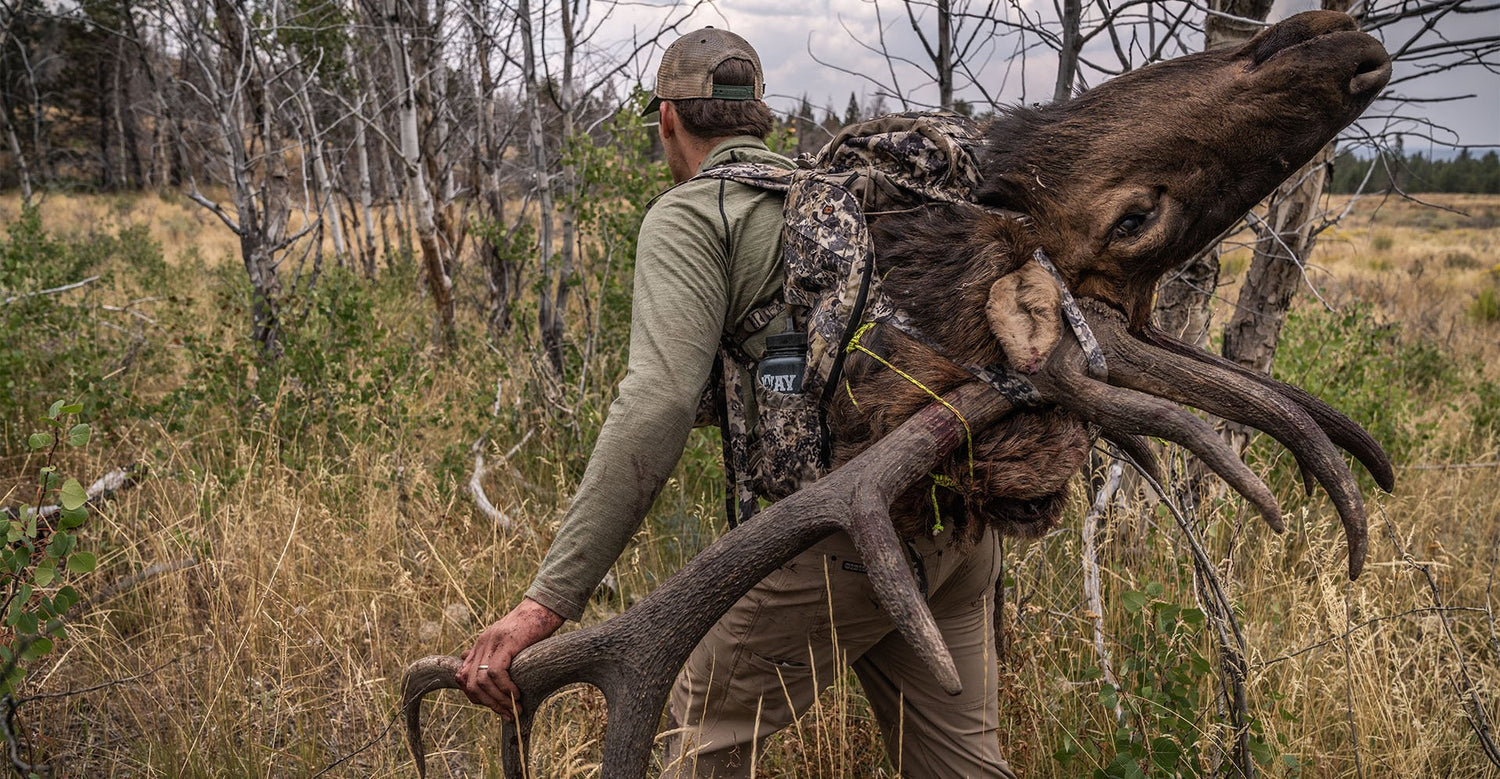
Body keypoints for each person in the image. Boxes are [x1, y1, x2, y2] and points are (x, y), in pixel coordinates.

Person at [458, 28, 1016, 778]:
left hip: (845, 536)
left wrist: (546, 603)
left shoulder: (695, 215)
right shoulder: (842, 203)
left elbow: (655, 404)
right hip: (954, 526)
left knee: (695, 733)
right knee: (962, 768)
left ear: (667, 119)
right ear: (761, 119)